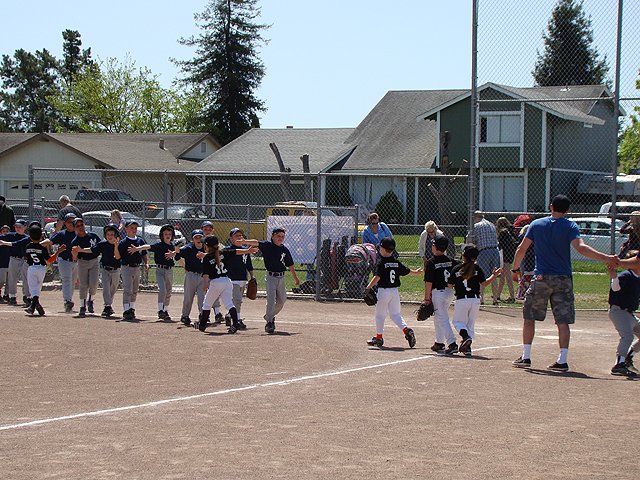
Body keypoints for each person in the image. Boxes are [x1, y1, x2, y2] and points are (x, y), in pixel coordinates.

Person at [511, 195, 618, 372]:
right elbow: (581, 248)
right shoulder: (570, 225)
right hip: (563, 278)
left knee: (530, 316)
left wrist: (515, 269)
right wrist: (606, 258)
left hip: (541, 277)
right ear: (568, 210)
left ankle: (526, 356)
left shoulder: (536, 224)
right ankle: (562, 360)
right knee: (562, 320)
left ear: (551, 206)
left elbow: (521, 248)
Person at [365, 237, 420, 349]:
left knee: (380, 315)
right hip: (394, 292)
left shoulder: (381, 262)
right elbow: (406, 271)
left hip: (383, 292)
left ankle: (379, 338)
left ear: (383, 249)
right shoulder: (395, 262)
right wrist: (416, 272)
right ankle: (406, 330)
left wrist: (368, 287)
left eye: (380, 248)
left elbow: (377, 277)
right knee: (395, 314)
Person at [448, 244, 502, 356]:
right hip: (475, 299)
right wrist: (494, 275)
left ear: (463, 255)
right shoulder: (477, 268)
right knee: (470, 324)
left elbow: (449, 285)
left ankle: (466, 337)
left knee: (458, 322)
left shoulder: (457, 268)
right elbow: (484, 283)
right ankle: (467, 348)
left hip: (462, 299)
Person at [196, 236, 257, 334]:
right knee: (229, 304)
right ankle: (236, 323)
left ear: (206, 246)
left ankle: (202, 325)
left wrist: (205, 284)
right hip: (227, 281)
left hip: (216, 282)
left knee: (207, 304)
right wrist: (247, 251)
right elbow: (236, 251)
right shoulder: (223, 252)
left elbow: (206, 274)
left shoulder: (207, 258)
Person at [0, 225, 65, 316]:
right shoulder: (42, 247)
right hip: (41, 268)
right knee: (37, 288)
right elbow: (50, 260)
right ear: (41, 237)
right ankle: (34, 305)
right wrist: (58, 252)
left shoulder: (27, 246)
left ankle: (33, 305)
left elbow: (24, 253)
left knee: (33, 289)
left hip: (31, 268)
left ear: (30, 237)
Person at [244, 228, 300, 334]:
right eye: (278, 236)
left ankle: (269, 316)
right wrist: (244, 241)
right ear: (273, 236)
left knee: (282, 300)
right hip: (270, 277)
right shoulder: (267, 245)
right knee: (271, 300)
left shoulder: (284, 250)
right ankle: (269, 322)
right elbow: (256, 242)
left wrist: (295, 277)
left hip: (281, 277)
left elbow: (290, 264)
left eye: (282, 236)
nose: (280, 238)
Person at [72, 224, 121, 318]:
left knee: (113, 288)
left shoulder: (120, 244)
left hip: (116, 270)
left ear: (116, 235)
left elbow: (118, 257)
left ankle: (108, 305)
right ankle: (107, 306)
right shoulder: (103, 244)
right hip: (105, 269)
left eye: (112, 234)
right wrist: (81, 250)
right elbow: (92, 250)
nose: (110, 236)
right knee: (106, 288)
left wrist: (116, 246)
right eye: (108, 234)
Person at [135, 225, 179, 321]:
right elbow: (148, 246)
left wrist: (174, 253)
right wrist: (138, 248)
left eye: (169, 234)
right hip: (160, 270)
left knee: (168, 291)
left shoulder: (173, 247)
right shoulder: (159, 245)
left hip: (169, 270)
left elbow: (179, 253)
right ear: (162, 235)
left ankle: (165, 310)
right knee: (162, 290)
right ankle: (160, 310)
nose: (168, 235)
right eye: (165, 234)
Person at [423, 235, 458, 355]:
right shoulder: (451, 261)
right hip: (449, 293)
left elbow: (428, 283)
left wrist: (426, 298)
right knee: (439, 317)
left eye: (433, 244)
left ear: (435, 247)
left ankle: (452, 343)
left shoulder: (431, 262)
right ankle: (439, 342)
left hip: (438, 293)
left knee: (442, 318)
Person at [606, 256, 640, 377]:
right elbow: (615, 288)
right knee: (627, 336)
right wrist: (614, 276)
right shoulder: (626, 276)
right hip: (618, 312)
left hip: (630, 314)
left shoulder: (638, 277)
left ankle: (628, 358)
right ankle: (619, 365)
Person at [69, 217, 101, 317]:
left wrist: (81, 249)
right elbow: (75, 258)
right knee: (83, 284)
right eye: (77, 226)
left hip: (94, 261)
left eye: (81, 225)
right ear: (74, 228)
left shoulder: (93, 236)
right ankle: (82, 306)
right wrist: (74, 253)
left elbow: (98, 248)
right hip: (82, 262)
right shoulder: (75, 241)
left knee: (94, 283)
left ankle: (90, 300)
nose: (80, 227)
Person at [466, 211, 501, 305]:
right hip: (495, 251)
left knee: (481, 275)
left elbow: (469, 240)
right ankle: (495, 299)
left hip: (484, 251)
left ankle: (481, 299)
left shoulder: (476, 226)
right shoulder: (491, 224)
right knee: (494, 275)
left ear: (476, 217)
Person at [118, 220, 149, 321]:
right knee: (127, 290)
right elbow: (118, 256)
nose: (134, 230)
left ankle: (131, 308)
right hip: (126, 267)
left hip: (137, 267)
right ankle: (126, 310)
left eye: (135, 228)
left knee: (135, 290)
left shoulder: (140, 241)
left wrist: (146, 263)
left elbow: (144, 254)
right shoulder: (123, 242)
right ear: (126, 229)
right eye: (131, 228)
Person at [48, 213, 79, 312]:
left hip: (76, 261)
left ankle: (68, 299)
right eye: (69, 222)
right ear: (65, 223)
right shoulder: (61, 234)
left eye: (73, 221)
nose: (71, 223)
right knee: (66, 280)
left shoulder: (79, 234)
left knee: (73, 282)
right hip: (64, 260)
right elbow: (50, 242)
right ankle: (67, 300)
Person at [224, 227, 255, 325]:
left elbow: (248, 265)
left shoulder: (246, 250)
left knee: (237, 300)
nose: (239, 237)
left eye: (240, 235)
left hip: (243, 278)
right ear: (231, 238)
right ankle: (237, 320)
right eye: (236, 235)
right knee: (237, 300)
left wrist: (252, 276)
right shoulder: (227, 250)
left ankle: (229, 315)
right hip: (231, 279)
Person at [175, 229, 206, 326]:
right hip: (191, 275)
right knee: (188, 297)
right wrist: (176, 247)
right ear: (192, 239)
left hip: (202, 276)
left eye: (200, 237)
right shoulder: (189, 248)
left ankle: (203, 316)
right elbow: (177, 255)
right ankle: (185, 315)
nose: (198, 239)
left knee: (202, 298)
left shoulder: (206, 248)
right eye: (196, 237)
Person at [0, 219, 28, 305]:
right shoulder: (10, 235)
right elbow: (1, 237)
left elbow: (17, 244)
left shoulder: (27, 237)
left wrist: (5, 243)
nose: (17, 228)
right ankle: (12, 296)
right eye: (16, 227)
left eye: (20, 227)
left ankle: (26, 296)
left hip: (24, 260)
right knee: (12, 278)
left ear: (25, 227)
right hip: (13, 259)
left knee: (26, 279)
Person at [495, 216, 517, 303]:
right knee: (503, 276)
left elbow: (501, 245)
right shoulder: (510, 231)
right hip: (510, 255)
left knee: (508, 277)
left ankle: (512, 297)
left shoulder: (503, 232)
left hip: (505, 255)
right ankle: (498, 295)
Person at [0, 224, 9, 302]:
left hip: (10, 263)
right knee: (2, 280)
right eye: (4, 231)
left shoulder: (11, 241)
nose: (5, 233)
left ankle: (7, 295)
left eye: (7, 231)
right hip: (2, 264)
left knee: (10, 281)